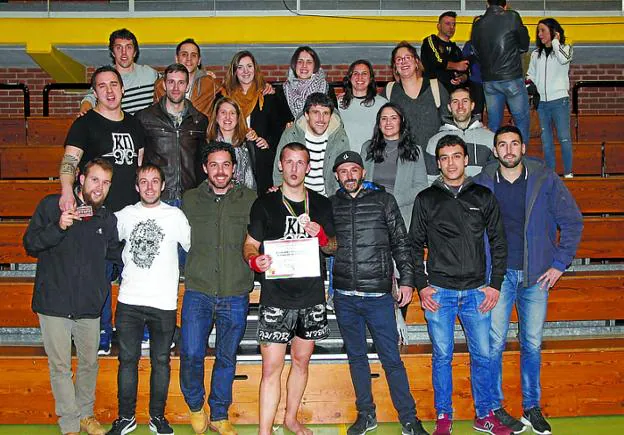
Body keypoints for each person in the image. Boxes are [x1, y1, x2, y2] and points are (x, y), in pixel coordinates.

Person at [474, 125, 583, 435]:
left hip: (536, 276)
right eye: (502, 145)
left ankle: (531, 408)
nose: (508, 150)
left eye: (514, 144)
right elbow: (469, 232)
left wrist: (559, 264)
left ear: (522, 148)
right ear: (494, 151)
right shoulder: (481, 183)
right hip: (497, 278)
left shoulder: (544, 178)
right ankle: (494, 408)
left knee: (531, 343)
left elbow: (573, 222)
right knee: (494, 343)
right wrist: (480, 275)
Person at [409, 135, 510, 435]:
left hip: (477, 293)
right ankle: (444, 416)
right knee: (442, 356)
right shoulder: (426, 199)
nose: (451, 162)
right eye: (445, 157)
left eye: (456, 156)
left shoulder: (483, 196)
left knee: (483, 355)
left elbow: (499, 242)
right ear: (438, 163)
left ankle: (484, 415)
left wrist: (494, 284)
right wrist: (422, 286)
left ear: (466, 160)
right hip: (439, 293)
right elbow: (413, 245)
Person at [330, 151, 429, 435]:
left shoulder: (383, 201)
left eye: (354, 170)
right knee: (357, 359)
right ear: (337, 175)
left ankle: (409, 419)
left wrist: (407, 281)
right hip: (345, 296)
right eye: (343, 171)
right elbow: (326, 244)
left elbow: (401, 242)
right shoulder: (331, 205)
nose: (349, 175)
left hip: (378, 296)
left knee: (392, 360)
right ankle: (366, 414)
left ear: (363, 172)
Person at [243, 142, 336, 435]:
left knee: (300, 361)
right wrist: (254, 261)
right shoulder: (264, 203)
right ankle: (264, 432)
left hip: (311, 297)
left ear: (308, 168)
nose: (295, 168)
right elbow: (249, 244)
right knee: (271, 368)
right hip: (276, 299)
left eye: (301, 163)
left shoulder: (321, 204)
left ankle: (291, 419)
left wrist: (320, 234)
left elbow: (333, 247)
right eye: (289, 162)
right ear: (280, 165)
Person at [24, 158, 119, 435]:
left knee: (90, 363)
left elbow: (113, 256)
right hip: (54, 304)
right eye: (94, 180)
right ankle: (69, 424)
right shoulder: (52, 206)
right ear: (80, 179)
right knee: (61, 366)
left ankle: (85, 415)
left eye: (105, 182)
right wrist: (59, 227)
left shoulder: (107, 218)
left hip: (89, 306)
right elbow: (30, 244)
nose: (99, 187)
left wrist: (101, 285)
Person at [60, 64, 145, 356]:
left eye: (114, 85)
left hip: (131, 214)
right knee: (98, 278)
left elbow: (140, 168)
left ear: (123, 89)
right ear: (94, 92)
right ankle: (100, 335)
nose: (109, 91)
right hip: (97, 215)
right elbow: (70, 162)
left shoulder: (135, 124)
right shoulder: (84, 124)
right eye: (102, 86)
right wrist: (65, 191)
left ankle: (136, 332)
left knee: (134, 276)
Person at [107, 164, 191, 435]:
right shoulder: (125, 215)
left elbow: (195, 248)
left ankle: (158, 417)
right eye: (144, 182)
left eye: (155, 181)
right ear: (136, 186)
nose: (150, 187)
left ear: (163, 185)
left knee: (161, 362)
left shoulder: (175, 216)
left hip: (163, 302)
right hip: (129, 301)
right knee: (127, 361)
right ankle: (125, 417)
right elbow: (101, 234)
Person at [179, 142, 257, 435]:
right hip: (199, 289)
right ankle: (196, 406)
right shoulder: (189, 200)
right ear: (204, 168)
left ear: (234, 168)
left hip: (235, 291)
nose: (220, 171)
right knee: (190, 352)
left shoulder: (249, 199)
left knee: (227, 356)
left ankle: (220, 413)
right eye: (214, 165)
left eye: (226, 164)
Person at [219, 50, 293, 194]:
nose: (245, 71)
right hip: (232, 157)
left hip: (261, 161)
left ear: (255, 69)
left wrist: (268, 142)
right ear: (234, 71)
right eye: (240, 67)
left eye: (249, 66)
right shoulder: (224, 96)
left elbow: (283, 126)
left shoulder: (269, 95)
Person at [136, 63, 208, 205]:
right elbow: (138, 161)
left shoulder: (200, 120)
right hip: (158, 197)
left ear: (187, 86)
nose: (176, 88)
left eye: (181, 83)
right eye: (171, 82)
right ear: (164, 84)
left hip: (191, 198)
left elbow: (203, 161)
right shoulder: (144, 118)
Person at [471, 0, 531, 145]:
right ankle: (519, 158)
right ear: (505, 5)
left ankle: (493, 160)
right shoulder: (512, 17)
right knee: (521, 120)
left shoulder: (478, 23)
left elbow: (476, 52)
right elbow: (524, 45)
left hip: (489, 80)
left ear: (487, 4)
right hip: (511, 77)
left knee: (493, 124)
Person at [361, 102, 427, 228]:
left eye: (393, 118)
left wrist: (392, 200)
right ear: (379, 124)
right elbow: (361, 180)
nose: (388, 122)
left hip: (401, 214)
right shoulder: (368, 148)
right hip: (371, 213)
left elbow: (421, 186)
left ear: (401, 122)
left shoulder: (415, 151)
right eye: (384, 119)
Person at [273, 92, 350, 197]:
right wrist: (280, 194)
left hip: (329, 198)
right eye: (316, 112)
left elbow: (344, 170)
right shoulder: (291, 134)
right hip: (297, 196)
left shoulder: (340, 137)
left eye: (326, 113)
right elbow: (279, 167)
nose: (321, 119)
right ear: (307, 115)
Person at [527, 18, 574, 177]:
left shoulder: (566, 49)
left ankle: (568, 173)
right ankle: (551, 175)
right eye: (538, 31)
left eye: (543, 31)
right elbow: (530, 75)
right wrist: (530, 84)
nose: (539, 34)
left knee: (564, 138)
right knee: (546, 142)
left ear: (554, 32)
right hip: (542, 104)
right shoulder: (535, 54)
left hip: (559, 101)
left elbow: (564, 59)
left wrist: (555, 42)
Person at [383, 41, 449, 151]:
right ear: (395, 67)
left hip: (433, 157)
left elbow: (449, 122)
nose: (403, 62)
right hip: (402, 158)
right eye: (399, 59)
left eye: (408, 57)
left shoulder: (435, 87)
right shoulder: (389, 91)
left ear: (416, 61)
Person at [80, 28, 158, 115]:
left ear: (135, 52)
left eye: (128, 47)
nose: (123, 53)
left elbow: (168, 84)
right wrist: (85, 105)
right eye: (118, 48)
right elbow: (90, 97)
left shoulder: (149, 74)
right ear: (113, 53)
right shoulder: (107, 76)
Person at [425, 87, 494, 184]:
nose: (460, 106)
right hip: (449, 197)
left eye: (465, 101)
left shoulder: (490, 138)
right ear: (449, 107)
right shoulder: (435, 141)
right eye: (455, 102)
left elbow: (496, 175)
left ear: (472, 105)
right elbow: (430, 180)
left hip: (482, 196)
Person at [153, 38, 218, 117]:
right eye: (184, 54)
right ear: (177, 58)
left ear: (199, 60)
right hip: (167, 128)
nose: (189, 59)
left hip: (200, 128)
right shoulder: (160, 84)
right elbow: (155, 113)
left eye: (193, 55)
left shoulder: (210, 83)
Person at [207, 96, 260, 190]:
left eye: (232, 113)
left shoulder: (250, 143)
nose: (228, 117)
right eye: (223, 112)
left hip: (247, 198)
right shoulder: (206, 145)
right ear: (216, 117)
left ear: (238, 117)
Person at [338, 59, 387, 152]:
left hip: (372, 158)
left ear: (370, 78)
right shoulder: (338, 103)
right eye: (355, 73)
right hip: (346, 159)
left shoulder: (382, 104)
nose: (359, 77)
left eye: (364, 73)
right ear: (350, 78)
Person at [420, 11, 469, 93]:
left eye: (454, 24)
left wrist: (461, 78)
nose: (451, 27)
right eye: (448, 24)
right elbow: (437, 61)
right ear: (438, 26)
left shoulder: (455, 48)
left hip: (452, 93)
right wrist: (456, 66)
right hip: (433, 91)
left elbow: (465, 70)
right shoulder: (431, 40)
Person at [283, 46, 338, 119]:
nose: (304, 66)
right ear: (294, 65)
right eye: (300, 61)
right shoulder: (281, 91)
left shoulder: (327, 89)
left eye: (309, 62)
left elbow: (334, 118)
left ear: (315, 66)